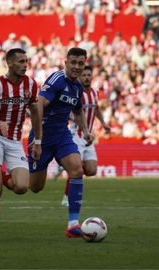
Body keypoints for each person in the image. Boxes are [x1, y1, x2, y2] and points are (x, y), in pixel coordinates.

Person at [28, 47, 93, 238]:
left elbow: (79, 111)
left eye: (80, 63)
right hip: (42, 138)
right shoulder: (57, 79)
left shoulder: (78, 87)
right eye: (73, 62)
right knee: (34, 187)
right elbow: (38, 104)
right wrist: (38, 140)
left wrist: (86, 131)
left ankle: (73, 224)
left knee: (77, 170)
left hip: (62, 136)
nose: (76, 67)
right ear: (66, 63)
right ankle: (6, 176)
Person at [0, 48, 41, 242]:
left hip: (14, 140)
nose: (25, 65)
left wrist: (38, 141)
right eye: (21, 61)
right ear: (10, 63)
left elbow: (36, 112)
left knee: (22, 187)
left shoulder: (30, 84)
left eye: (26, 61)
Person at [61, 66, 110, 207]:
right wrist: (84, 128)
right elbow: (71, 113)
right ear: (80, 77)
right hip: (76, 134)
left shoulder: (95, 92)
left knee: (92, 170)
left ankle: (70, 166)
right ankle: (66, 197)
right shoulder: (75, 93)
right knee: (77, 169)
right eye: (84, 75)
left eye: (89, 74)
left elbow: (96, 108)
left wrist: (104, 123)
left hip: (88, 136)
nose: (87, 77)